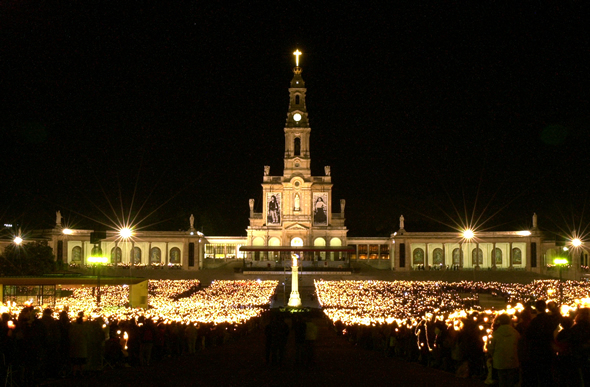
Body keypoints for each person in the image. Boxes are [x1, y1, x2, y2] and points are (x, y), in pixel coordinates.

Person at [488, 313, 520, 387]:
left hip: (499, 361)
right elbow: (519, 346)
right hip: (512, 360)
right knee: (511, 381)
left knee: (502, 380)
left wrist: (494, 356)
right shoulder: (515, 333)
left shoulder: (495, 334)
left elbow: (490, 347)